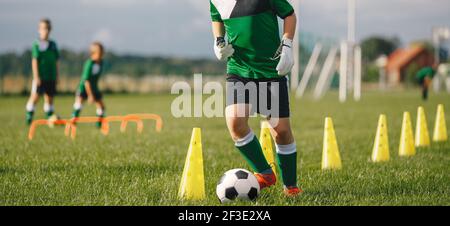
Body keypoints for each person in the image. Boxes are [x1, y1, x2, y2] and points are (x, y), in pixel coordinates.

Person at [209, 0, 302, 196]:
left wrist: (287, 46)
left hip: (270, 70)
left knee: (281, 132)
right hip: (239, 69)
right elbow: (216, 17)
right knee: (235, 122)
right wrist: (218, 40)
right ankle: (265, 174)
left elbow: (289, 14)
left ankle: (291, 186)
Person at [26, 18, 60, 125]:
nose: (46, 31)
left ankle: (50, 119)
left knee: (49, 98)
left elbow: (56, 61)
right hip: (41, 77)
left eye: (48, 28)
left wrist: (57, 75)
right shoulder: (37, 44)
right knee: (35, 96)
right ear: (39, 29)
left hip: (51, 76)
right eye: (43, 28)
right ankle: (29, 117)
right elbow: (35, 61)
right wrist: (36, 76)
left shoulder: (53, 44)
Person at [71, 42, 106, 128]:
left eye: (102, 52)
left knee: (101, 106)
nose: (101, 54)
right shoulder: (89, 63)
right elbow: (86, 81)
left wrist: (94, 92)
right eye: (99, 52)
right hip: (84, 88)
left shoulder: (101, 63)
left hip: (94, 88)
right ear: (93, 52)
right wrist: (90, 95)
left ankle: (99, 125)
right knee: (78, 105)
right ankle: (72, 123)